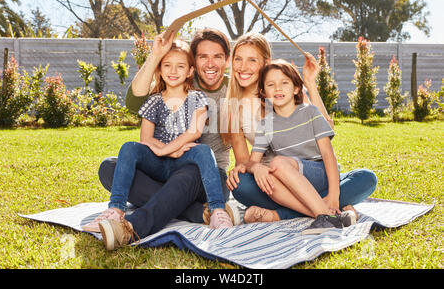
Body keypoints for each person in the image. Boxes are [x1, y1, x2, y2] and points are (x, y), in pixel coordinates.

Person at [94, 28, 236, 250]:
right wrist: (156, 55)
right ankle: (198, 213)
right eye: (203, 56)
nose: (210, 63)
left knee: (188, 172)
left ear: (227, 60)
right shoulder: (167, 87)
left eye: (217, 56)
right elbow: (134, 105)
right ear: (194, 63)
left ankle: (130, 228)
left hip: (203, 174)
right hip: (162, 167)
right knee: (109, 167)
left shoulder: (232, 88)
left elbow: (195, 133)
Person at [222, 32, 377, 224]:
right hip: (274, 183)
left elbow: (326, 127)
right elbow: (246, 162)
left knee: (365, 178)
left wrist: (310, 84)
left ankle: (282, 215)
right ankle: (329, 210)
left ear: (266, 62)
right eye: (238, 59)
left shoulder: (285, 88)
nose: (243, 67)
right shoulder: (234, 106)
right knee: (240, 186)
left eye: (252, 60)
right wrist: (252, 169)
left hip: (310, 171)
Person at [249, 59, 355, 234]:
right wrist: (257, 168)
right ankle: (326, 215)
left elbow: (329, 155)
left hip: (318, 173)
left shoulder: (310, 112)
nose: (278, 88)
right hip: (291, 178)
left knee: (277, 164)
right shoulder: (265, 124)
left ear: (297, 88)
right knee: (270, 179)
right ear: (263, 93)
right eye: (271, 84)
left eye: (284, 83)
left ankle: (324, 213)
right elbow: (252, 162)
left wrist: (334, 195)